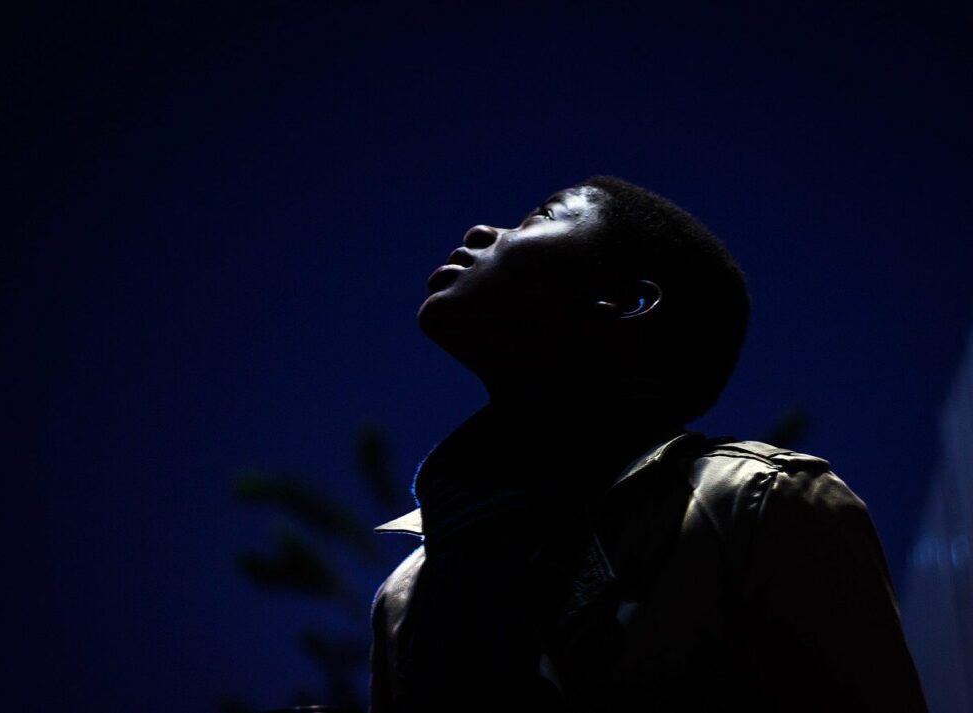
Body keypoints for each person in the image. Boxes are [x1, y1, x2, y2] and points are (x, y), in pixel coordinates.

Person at [368, 176, 926, 712]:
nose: (482, 231)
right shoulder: (409, 591)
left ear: (630, 301)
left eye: (540, 215)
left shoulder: (761, 504)